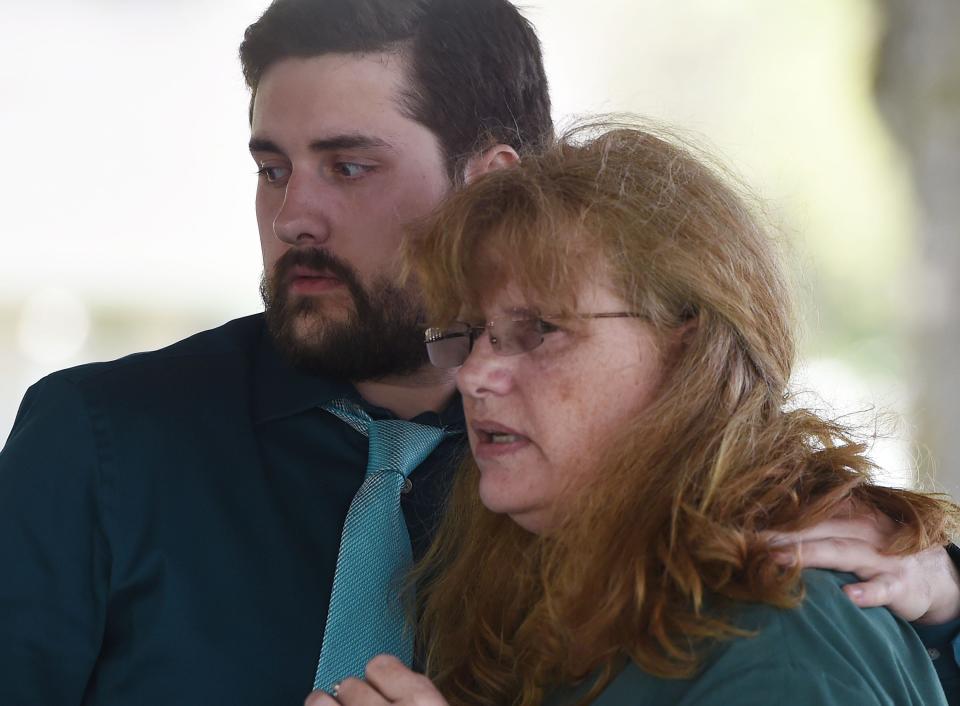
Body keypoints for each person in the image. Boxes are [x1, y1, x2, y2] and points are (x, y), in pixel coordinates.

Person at [0, 1, 956, 704]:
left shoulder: (612, 491)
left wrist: (943, 593)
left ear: (485, 182)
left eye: (350, 165)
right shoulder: (99, 439)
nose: (293, 216)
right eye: (271, 168)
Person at [308, 124, 957, 705]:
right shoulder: (542, 582)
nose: (474, 375)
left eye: (539, 328)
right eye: (469, 334)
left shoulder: (774, 624)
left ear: (688, 349)